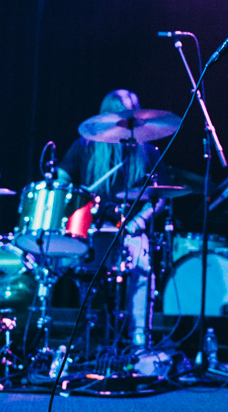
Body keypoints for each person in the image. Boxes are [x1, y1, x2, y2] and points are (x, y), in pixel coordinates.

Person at [57, 88, 168, 347]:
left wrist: (138, 222)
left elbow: (160, 196)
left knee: (143, 264)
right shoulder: (84, 146)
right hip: (91, 230)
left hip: (130, 229)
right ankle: (80, 336)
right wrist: (60, 189)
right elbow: (62, 180)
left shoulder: (148, 152)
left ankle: (139, 335)